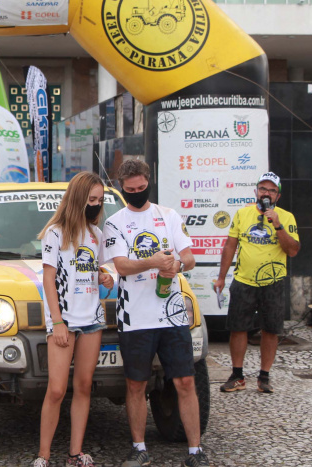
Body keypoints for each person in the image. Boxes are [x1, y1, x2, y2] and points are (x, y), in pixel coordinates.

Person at [101, 159, 204, 467]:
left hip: (172, 315)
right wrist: (154, 261)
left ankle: (196, 451)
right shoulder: (115, 223)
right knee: (136, 384)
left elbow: (189, 256)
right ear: (122, 188)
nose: (136, 193)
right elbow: (120, 265)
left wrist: (177, 265)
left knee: (185, 381)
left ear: (149, 182)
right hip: (134, 317)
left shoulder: (168, 216)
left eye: (142, 188)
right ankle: (138, 447)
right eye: (130, 190)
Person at [30, 172, 115, 467]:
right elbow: (49, 279)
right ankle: (43, 455)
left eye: (99, 200)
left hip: (92, 318)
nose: (95, 205)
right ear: (78, 198)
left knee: (84, 386)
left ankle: (74, 454)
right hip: (63, 319)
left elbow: (98, 269)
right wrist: (57, 322)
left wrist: (104, 276)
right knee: (56, 389)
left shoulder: (97, 234)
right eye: (91, 199)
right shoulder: (56, 232)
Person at [214, 172, 300, 395]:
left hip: (273, 281)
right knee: (238, 328)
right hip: (243, 280)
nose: (266, 193)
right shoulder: (242, 214)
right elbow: (230, 246)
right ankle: (237, 375)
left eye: (271, 190)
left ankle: (264, 376)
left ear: (277, 196)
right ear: (256, 191)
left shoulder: (287, 217)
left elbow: (292, 250)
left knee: (270, 329)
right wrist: (222, 277)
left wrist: (278, 225)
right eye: (263, 188)